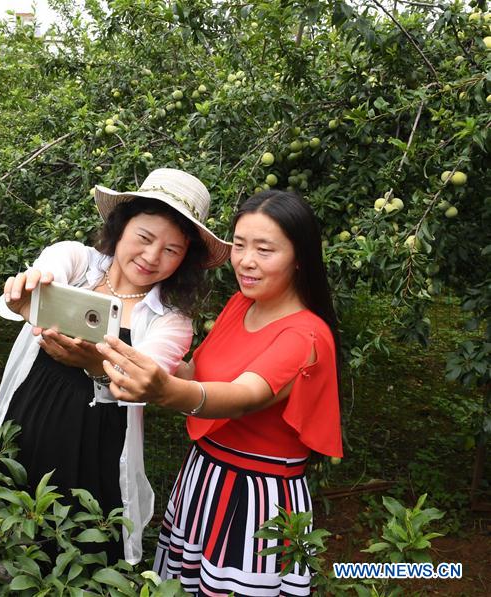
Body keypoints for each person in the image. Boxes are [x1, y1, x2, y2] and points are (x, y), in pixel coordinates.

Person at [97, 190, 343, 595]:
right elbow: (198, 372)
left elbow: (244, 395)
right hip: (204, 477)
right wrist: (154, 341)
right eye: (241, 245)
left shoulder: (306, 335)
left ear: (300, 257)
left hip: (255, 498)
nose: (246, 261)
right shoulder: (242, 304)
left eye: (265, 249)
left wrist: (166, 391)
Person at [0, 169, 231, 565]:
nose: (152, 257)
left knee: (80, 549)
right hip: (28, 419)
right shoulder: (79, 265)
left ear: (186, 259)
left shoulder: (170, 321)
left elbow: (141, 380)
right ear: (120, 227)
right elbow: (50, 268)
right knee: (4, 523)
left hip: (96, 443)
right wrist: (32, 286)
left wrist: (96, 365)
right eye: (144, 238)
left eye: (172, 250)